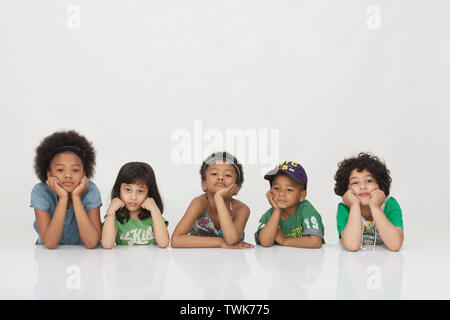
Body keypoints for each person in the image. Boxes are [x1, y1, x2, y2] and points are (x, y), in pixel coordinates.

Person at [30, 130, 102, 249]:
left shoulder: (90, 190)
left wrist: (76, 197)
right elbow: (50, 243)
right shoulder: (40, 192)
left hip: (84, 258)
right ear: (49, 174)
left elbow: (92, 243)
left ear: (84, 174)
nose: (68, 175)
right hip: (48, 259)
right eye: (60, 170)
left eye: (75, 170)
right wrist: (63, 198)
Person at [171, 152, 253, 249]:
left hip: (230, 259)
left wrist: (218, 198)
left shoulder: (241, 209)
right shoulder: (199, 203)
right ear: (204, 184)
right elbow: (176, 240)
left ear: (236, 188)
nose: (220, 177)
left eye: (228, 175)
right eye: (214, 173)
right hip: (199, 258)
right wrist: (220, 242)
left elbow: (231, 240)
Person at [334, 152, 404, 252]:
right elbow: (351, 246)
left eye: (369, 181)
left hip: (386, 262)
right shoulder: (344, 208)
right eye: (355, 182)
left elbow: (395, 245)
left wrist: (375, 207)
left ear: (380, 184)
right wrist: (354, 206)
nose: (363, 186)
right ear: (346, 189)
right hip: (353, 264)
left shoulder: (390, 204)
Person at [255, 161, 325, 248]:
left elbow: (315, 242)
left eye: (289, 189)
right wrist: (277, 211)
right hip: (278, 260)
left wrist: (284, 241)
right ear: (270, 191)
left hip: (306, 259)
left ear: (302, 195)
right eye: (277, 188)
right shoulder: (270, 215)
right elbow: (265, 242)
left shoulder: (306, 210)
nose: (281, 193)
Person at [101, 162, 169, 248]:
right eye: (128, 190)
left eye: (140, 191)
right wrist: (110, 211)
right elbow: (107, 245)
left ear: (149, 193)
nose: (133, 197)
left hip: (151, 261)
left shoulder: (153, 216)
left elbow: (163, 243)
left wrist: (155, 210)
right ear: (119, 190)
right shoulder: (115, 218)